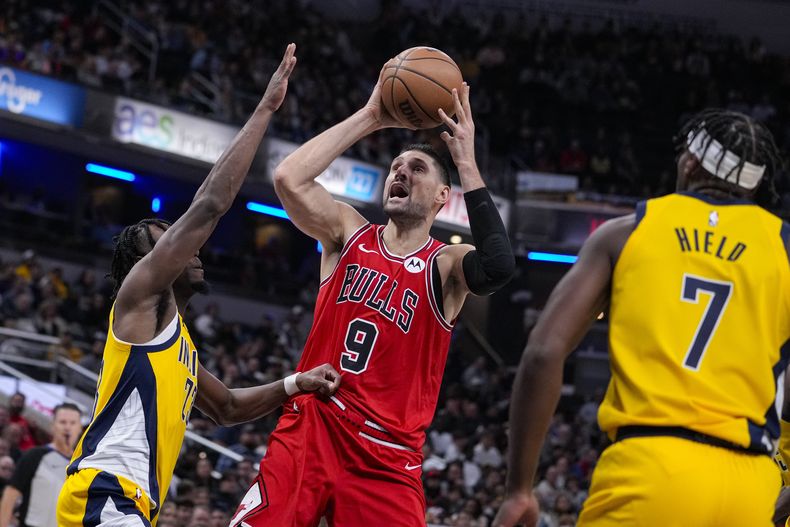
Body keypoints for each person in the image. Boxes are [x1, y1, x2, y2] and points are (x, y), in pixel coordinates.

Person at [56, 44, 341, 527]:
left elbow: (227, 407)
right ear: (149, 263)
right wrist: (265, 108)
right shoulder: (138, 300)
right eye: (169, 244)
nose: (192, 251)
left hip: (130, 506)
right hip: (104, 493)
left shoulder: (178, 342)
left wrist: (298, 383)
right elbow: (209, 205)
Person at [230, 69, 514, 526]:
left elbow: (499, 267)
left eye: (416, 169)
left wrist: (465, 162)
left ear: (443, 197)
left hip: (387, 457)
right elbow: (289, 178)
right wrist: (371, 116)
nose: (400, 172)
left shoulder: (446, 265)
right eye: (396, 167)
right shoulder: (348, 232)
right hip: (316, 422)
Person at [494, 108, 788, 527]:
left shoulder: (627, 231)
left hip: (652, 467)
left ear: (689, 162)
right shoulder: (785, 250)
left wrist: (520, 489)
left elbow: (543, 352)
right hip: (752, 487)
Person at [0, 403, 82, 527]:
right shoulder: (35, 455)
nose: (67, 427)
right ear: (53, 426)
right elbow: (11, 494)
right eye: (63, 422)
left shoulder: (82, 465)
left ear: (80, 428)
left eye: (72, 423)